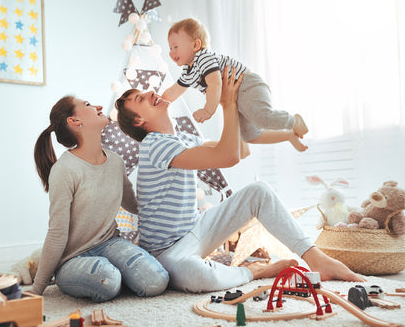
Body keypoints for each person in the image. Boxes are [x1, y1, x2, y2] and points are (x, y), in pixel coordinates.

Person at [115, 68, 365, 293]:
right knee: (199, 277)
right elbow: (229, 156)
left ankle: (316, 259)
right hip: (167, 252)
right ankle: (253, 271)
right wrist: (228, 103)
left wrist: (287, 135)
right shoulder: (153, 145)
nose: (150, 92)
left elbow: (241, 147)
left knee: (258, 191)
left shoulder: (183, 139)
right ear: (139, 121)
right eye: (140, 98)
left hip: (195, 229)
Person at [32, 96, 168, 302]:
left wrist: (166, 190)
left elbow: (133, 204)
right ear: (75, 121)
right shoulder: (65, 170)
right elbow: (57, 233)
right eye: (87, 105)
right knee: (108, 280)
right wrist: (37, 289)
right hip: (73, 258)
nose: (98, 106)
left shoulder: (115, 162)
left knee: (156, 280)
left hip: (110, 243)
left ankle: (118, 273)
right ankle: (96, 276)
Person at [162, 17, 308, 152]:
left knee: (262, 118)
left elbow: (215, 83)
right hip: (237, 97)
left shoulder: (203, 57)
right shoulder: (188, 71)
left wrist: (208, 110)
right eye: (169, 48)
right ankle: (289, 136)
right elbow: (173, 92)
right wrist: (160, 101)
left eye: (175, 47)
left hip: (247, 85)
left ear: (196, 45)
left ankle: (294, 121)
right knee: (250, 136)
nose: (171, 52)